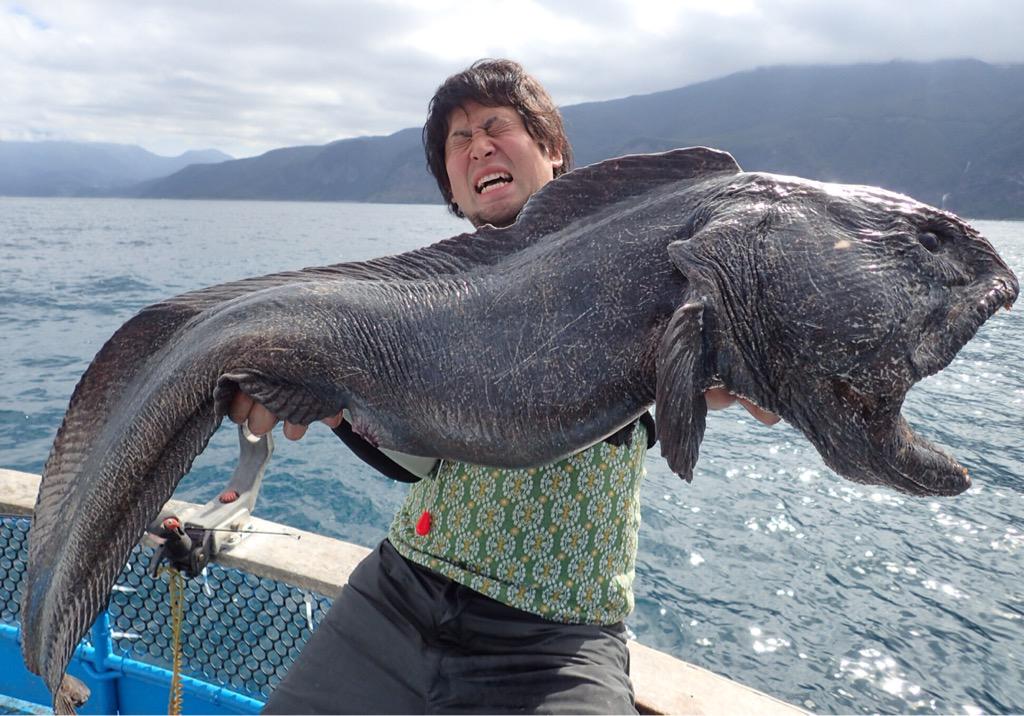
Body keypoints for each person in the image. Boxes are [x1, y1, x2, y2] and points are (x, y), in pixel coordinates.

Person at [246, 59, 778, 714]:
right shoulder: (426, 302)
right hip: (395, 597)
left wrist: (746, 363)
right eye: (459, 142)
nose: (479, 147)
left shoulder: (639, 268)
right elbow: (419, 461)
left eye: (497, 126)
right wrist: (327, 402)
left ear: (552, 151)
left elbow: (720, 366)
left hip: (555, 640)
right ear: (452, 188)